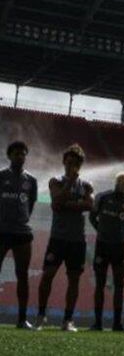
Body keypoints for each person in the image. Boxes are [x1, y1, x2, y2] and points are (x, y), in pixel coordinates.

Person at [35, 144, 94, 331]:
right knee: (48, 275)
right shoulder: (56, 181)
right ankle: (41, 316)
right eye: (69, 163)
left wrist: (67, 203)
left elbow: (89, 205)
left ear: (80, 165)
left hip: (77, 240)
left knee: (74, 279)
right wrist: (70, 189)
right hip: (58, 238)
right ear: (63, 162)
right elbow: (56, 203)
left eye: (76, 164)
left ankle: (68, 320)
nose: (72, 167)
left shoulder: (86, 185)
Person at [89, 172, 124, 332]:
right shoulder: (102, 197)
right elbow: (92, 217)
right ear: (117, 183)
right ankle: (97, 323)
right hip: (102, 245)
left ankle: (117, 324)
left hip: (119, 246)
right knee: (99, 285)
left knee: (119, 286)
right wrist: (101, 231)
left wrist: (119, 233)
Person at [0, 140, 38, 328]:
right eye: (16, 153)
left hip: (22, 232)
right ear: (9, 156)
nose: (20, 157)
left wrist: (20, 220)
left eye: (23, 153)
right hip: (1, 230)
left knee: (22, 274)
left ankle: (22, 319)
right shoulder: (1, 176)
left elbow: (29, 205)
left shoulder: (31, 180)